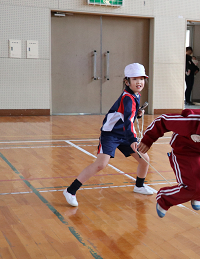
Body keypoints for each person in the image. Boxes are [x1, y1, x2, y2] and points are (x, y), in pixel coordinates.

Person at [63, 63, 156, 207]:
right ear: (127, 81)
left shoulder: (136, 95)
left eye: (142, 79)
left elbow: (128, 115)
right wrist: (132, 139)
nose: (139, 82)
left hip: (124, 134)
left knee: (144, 159)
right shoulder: (128, 98)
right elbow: (127, 120)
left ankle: (139, 186)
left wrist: (138, 113)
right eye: (135, 79)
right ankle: (70, 190)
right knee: (101, 164)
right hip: (111, 134)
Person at [137, 103, 200, 217]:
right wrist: (147, 140)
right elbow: (162, 120)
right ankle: (165, 198)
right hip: (184, 152)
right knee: (195, 188)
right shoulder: (190, 121)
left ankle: (198, 194)